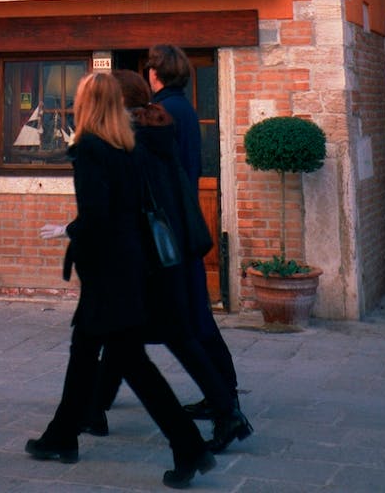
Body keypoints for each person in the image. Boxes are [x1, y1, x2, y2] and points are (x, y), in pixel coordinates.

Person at [26, 71, 216, 489]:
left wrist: (68, 230)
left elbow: (97, 217)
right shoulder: (129, 147)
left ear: (87, 105)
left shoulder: (91, 149)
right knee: (85, 352)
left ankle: (188, 445)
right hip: (128, 266)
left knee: (131, 363)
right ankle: (62, 435)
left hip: (108, 272)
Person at [147, 44, 252, 451]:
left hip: (172, 226)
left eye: (150, 68)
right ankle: (223, 396)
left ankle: (226, 403)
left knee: (190, 322)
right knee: (195, 317)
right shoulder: (185, 109)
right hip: (186, 219)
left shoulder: (162, 112)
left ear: (156, 73)